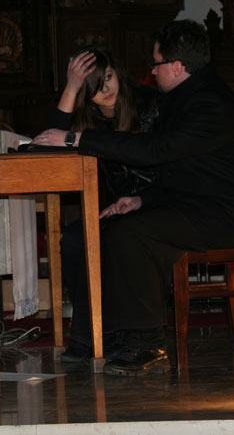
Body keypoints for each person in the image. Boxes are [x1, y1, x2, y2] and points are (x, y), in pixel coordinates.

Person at [32, 19, 234, 376]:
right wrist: (142, 200)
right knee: (82, 236)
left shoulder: (207, 102)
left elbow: (156, 151)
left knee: (131, 233)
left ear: (177, 66)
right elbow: (179, 171)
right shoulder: (188, 96)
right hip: (192, 204)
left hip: (227, 214)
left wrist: (77, 139)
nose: (151, 71)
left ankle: (145, 343)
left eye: (156, 64)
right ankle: (97, 336)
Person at [48, 45, 162, 363]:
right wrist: (71, 87)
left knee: (121, 237)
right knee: (75, 239)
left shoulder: (149, 104)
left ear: (117, 72)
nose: (106, 89)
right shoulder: (90, 121)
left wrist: (141, 200)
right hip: (120, 207)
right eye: (94, 86)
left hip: (160, 199)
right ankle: (89, 337)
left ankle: (131, 338)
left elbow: (154, 156)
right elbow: (52, 152)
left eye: (108, 77)